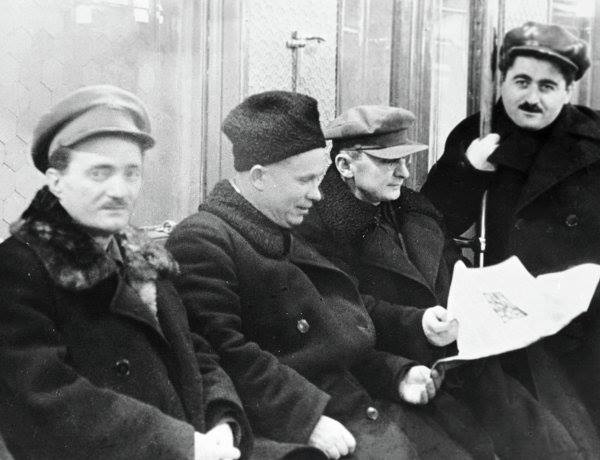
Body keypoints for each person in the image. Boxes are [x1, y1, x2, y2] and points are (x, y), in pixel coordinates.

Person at [166, 90, 511, 459]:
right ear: (259, 177)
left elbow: (338, 334)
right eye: (306, 180)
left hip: (358, 400)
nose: (318, 195)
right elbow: (224, 354)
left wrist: (396, 373)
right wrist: (307, 418)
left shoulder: (280, 226)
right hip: (305, 426)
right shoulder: (203, 240)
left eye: (319, 179)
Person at [296, 104, 585, 458]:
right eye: (390, 162)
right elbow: (345, 312)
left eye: (406, 160)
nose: (404, 173)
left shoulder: (411, 207)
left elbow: (449, 269)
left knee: (557, 447)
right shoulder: (316, 227)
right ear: (345, 166)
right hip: (397, 378)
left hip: (464, 362)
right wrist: (419, 325)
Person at [0, 85, 251, 460]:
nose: (119, 190)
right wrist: (180, 445)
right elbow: (46, 396)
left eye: (131, 173)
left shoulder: (144, 259)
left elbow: (195, 352)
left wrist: (222, 420)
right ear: (56, 181)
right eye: (100, 173)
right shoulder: (19, 268)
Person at [421, 21, 600, 451]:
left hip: (585, 318)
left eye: (547, 85)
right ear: (502, 80)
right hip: (506, 321)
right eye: (521, 81)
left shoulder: (596, 141)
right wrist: (467, 170)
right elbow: (428, 223)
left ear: (568, 90)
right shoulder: (477, 133)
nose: (531, 98)